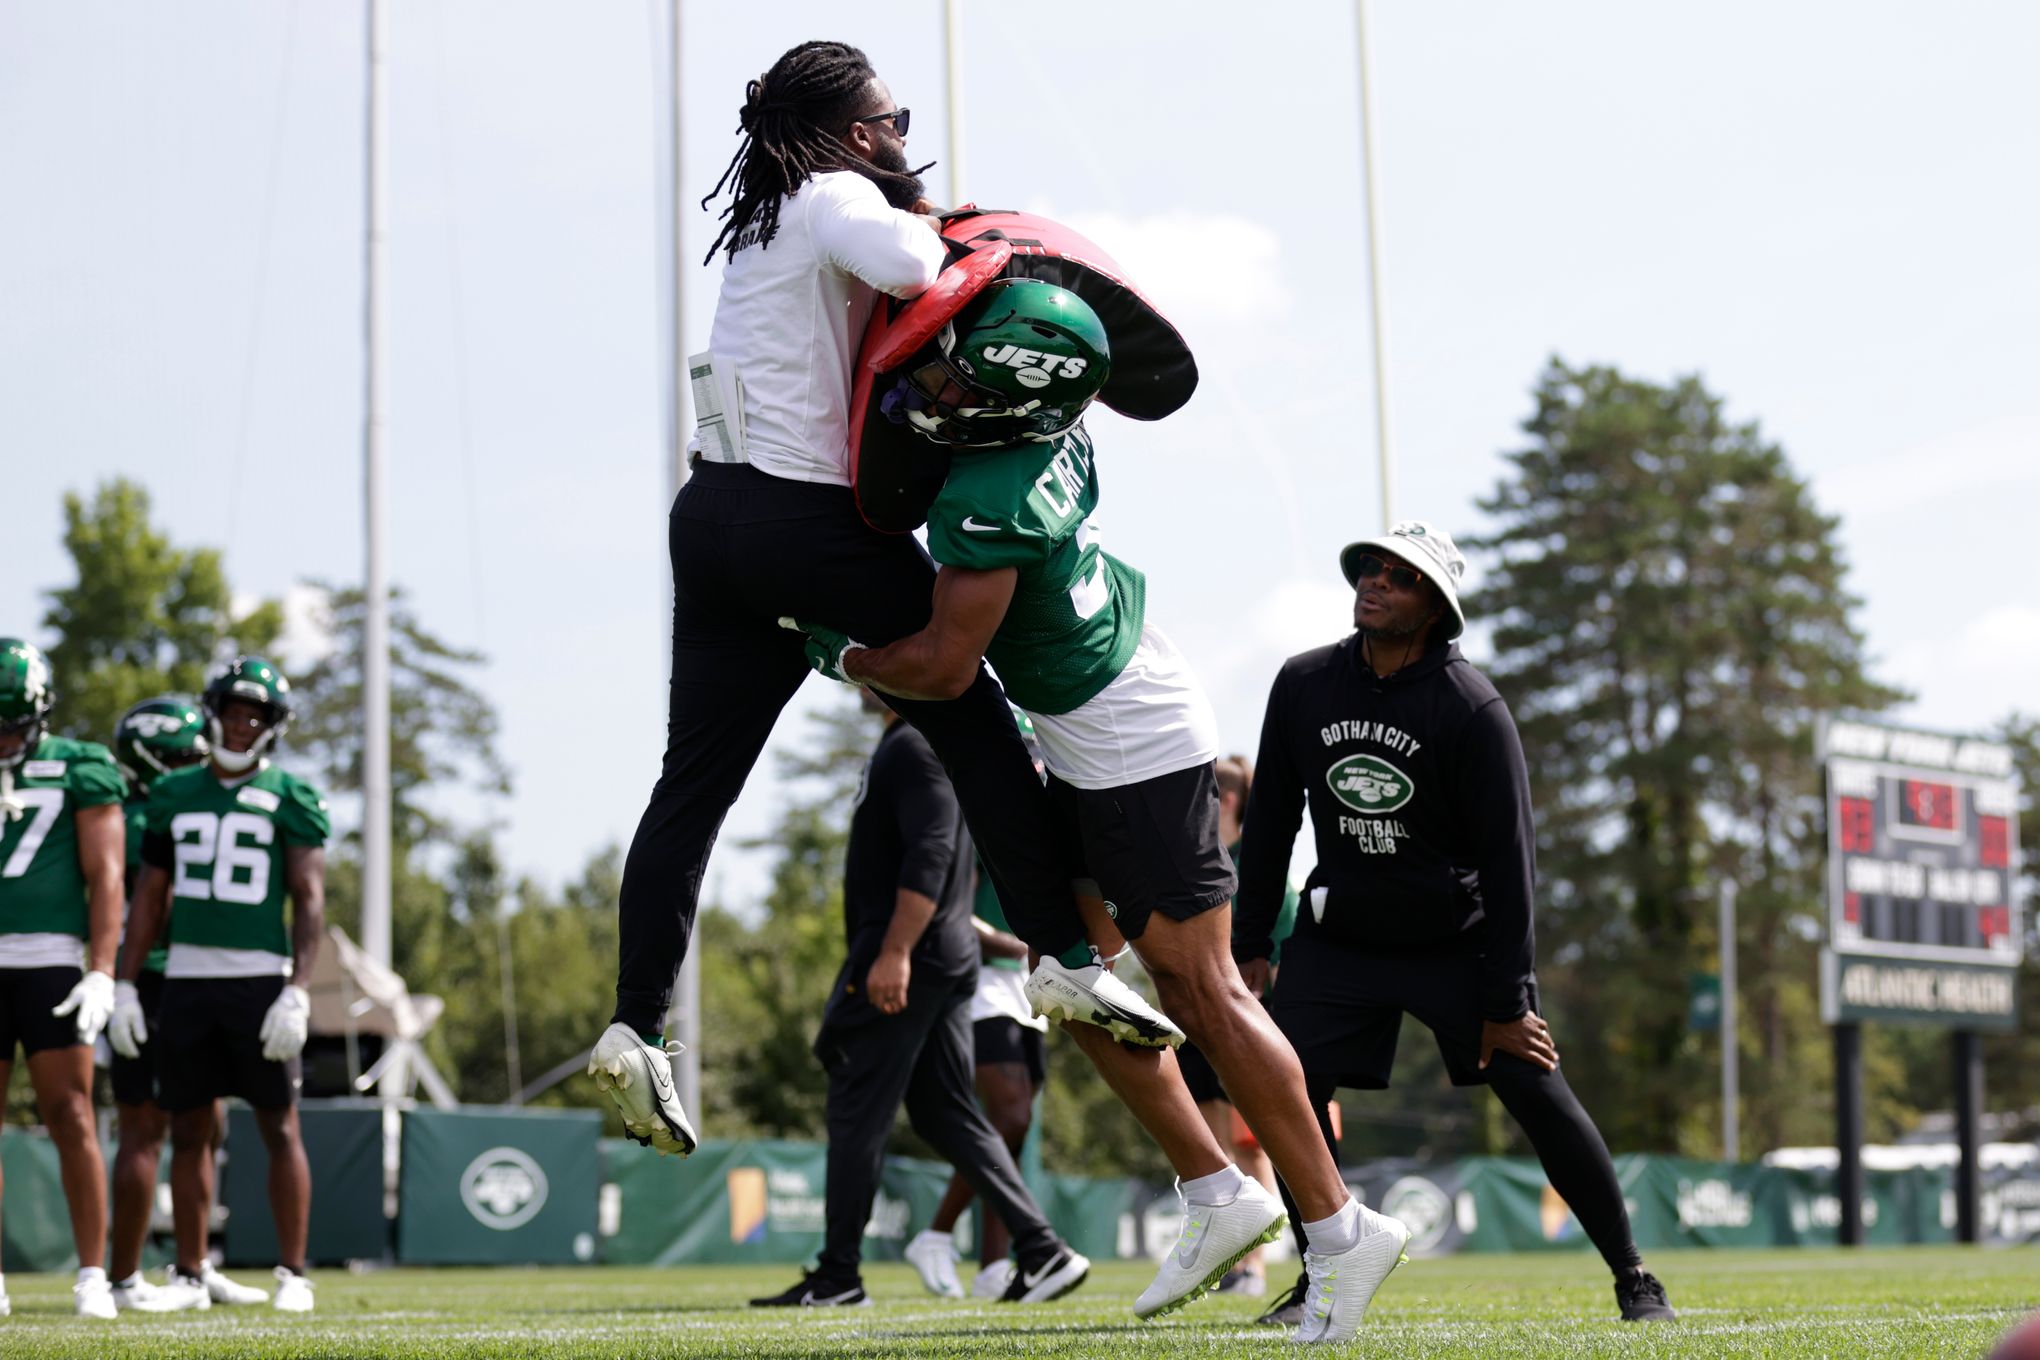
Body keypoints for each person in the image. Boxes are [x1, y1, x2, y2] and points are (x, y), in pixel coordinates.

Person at [783, 280, 1412, 1342]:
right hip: (1104, 725)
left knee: (1203, 992)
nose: (934, 381)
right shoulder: (1045, 430)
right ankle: (1216, 1192)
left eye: (957, 366)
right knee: (1067, 981)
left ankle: (1341, 1228)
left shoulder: (987, 491)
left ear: (1013, 387)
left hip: (1132, 744)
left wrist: (831, 648)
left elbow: (941, 667)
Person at [589, 39, 1179, 1158]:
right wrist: (927, 208)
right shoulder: (826, 195)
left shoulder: (764, 215)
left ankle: (633, 1025)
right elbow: (917, 266)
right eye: (893, 117)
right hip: (797, 519)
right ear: (859, 133)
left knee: (693, 788)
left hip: (709, 518)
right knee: (968, 708)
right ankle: (1061, 954)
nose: (904, 132)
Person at [1234, 521, 1676, 1325]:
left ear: (1434, 606)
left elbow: (1512, 866)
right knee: (1280, 1086)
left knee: (1539, 1094)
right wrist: (1251, 944)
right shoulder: (1303, 683)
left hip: (1455, 946)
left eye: (1398, 577)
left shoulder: (1473, 709)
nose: (1374, 582)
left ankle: (1634, 1276)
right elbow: (1270, 822)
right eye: (1369, 568)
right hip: (1342, 938)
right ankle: (1320, 1278)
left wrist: (1509, 1002)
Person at [753, 692, 1086, 1307]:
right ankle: (1041, 1250)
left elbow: (932, 851)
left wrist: (895, 951)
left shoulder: (913, 741)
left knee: (857, 1105)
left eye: (875, 649)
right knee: (945, 1113)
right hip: (946, 954)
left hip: (916, 955)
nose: (857, 667)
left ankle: (838, 1276)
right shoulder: (920, 741)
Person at [113, 657, 327, 1314]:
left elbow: (310, 899)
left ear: (272, 725)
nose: (240, 726)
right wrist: (124, 982)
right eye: (232, 714)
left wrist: (298, 987)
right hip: (185, 979)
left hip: (258, 981)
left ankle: (294, 1273)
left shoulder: (292, 795)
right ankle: (188, 1271)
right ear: (212, 715)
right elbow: (150, 898)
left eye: (253, 716)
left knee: (279, 1127)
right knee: (189, 1126)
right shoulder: (175, 794)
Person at [104, 696, 270, 1312]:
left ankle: (193, 1269)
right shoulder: (135, 815)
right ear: (152, 758)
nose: (198, 762)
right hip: (146, 981)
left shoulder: (186, 803)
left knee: (206, 1125)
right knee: (145, 1128)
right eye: (183, 756)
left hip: (193, 981)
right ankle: (121, 1278)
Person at [0, 638, 122, 1320]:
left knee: (71, 1113)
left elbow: (107, 875)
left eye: (14, 725)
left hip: (49, 959)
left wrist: (101, 969)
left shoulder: (80, 766)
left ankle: (93, 1275)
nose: (5, 740)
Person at [1173, 753, 1300, 1300]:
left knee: (1251, 1148)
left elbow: (1283, 953)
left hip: (1251, 1020)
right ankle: (1228, 1260)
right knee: (1212, 1147)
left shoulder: (1262, 867)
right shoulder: (1197, 860)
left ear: (1223, 802)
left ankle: (1256, 1267)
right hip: (1195, 1021)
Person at [906, 853, 1051, 1301]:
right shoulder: (980, 819)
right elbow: (954, 910)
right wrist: (1016, 946)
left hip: (1031, 989)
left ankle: (992, 1267)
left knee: (1012, 1135)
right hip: (986, 983)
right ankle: (936, 1234)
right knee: (1009, 1117)